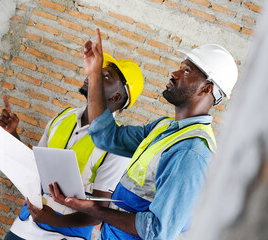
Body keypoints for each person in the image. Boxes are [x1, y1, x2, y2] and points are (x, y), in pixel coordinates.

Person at [46, 29, 238, 240]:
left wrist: (95, 209)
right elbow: (106, 137)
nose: (174, 74)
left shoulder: (192, 152)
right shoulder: (164, 128)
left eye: (186, 71)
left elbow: (157, 230)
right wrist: (93, 75)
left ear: (206, 89)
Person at [0, 52, 144, 240]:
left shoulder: (117, 145)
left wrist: (56, 220)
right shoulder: (64, 117)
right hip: (24, 227)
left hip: (64, 236)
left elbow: (100, 211)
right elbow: (36, 166)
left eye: (105, 76)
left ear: (116, 97)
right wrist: (12, 134)